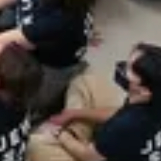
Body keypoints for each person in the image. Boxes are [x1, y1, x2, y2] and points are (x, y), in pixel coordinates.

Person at [28, 43, 161, 161]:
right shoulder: (150, 98)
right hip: (124, 140)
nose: (123, 68)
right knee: (86, 83)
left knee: (35, 145)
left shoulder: (128, 124)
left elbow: (90, 156)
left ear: (144, 90)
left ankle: (76, 135)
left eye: (129, 69)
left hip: (95, 155)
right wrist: (74, 114)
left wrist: (60, 134)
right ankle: (79, 133)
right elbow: (120, 113)